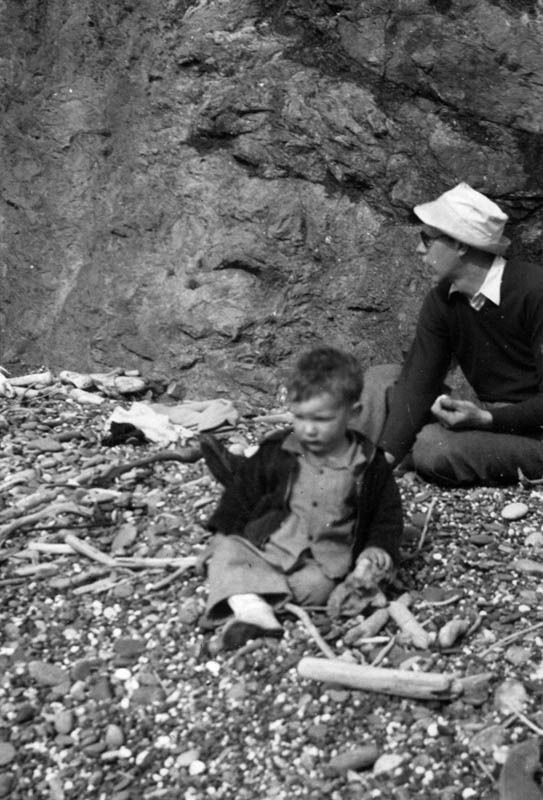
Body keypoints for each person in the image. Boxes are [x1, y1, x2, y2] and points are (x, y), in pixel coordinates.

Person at [201, 346, 403, 649]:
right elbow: (242, 493)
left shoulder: (369, 463)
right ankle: (255, 610)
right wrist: (222, 531)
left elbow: (387, 516)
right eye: (299, 417)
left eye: (321, 419)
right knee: (226, 550)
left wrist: (377, 549)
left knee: (317, 588)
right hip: (271, 546)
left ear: (354, 413)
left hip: (322, 562)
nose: (308, 430)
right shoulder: (279, 449)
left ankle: (247, 600)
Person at [361, 182, 543, 486]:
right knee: (382, 378)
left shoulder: (535, 291)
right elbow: (418, 382)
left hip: (534, 435)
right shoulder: (442, 300)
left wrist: (487, 420)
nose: (420, 249)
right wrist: (386, 459)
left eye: (427, 239)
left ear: (460, 245)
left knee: (432, 446)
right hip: (484, 416)